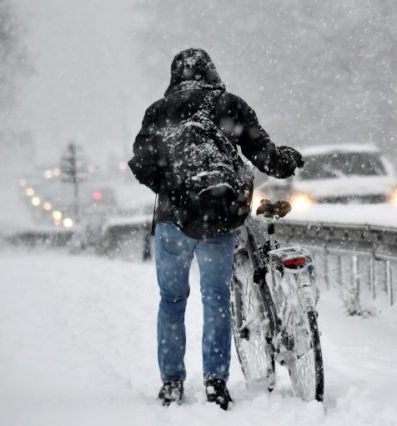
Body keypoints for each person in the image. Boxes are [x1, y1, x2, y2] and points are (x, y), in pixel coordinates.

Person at [128, 48, 303, 410]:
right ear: (211, 72)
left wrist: (173, 187)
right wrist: (288, 161)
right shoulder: (228, 105)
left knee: (172, 302)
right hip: (219, 218)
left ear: (174, 75)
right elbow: (263, 154)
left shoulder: (158, 112)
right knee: (216, 301)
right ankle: (215, 382)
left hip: (172, 222)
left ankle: (172, 383)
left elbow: (141, 163)